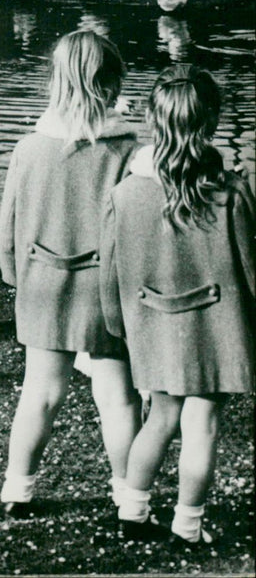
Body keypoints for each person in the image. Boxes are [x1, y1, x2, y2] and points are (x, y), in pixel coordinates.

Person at [101, 65, 255, 545]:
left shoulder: (125, 195)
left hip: (153, 325)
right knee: (202, 424)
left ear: (151, 119)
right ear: (211, 122)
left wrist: (119, 328)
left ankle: (133, 507)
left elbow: (110, 276)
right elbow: (252, 270)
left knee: (161, 418)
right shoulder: (231, 192)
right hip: (218, 329)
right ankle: (188, 524)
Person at [0, 29, 141, 516]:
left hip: (44, 280)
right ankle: (129, 497)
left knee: (40, 392)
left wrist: (15, 276)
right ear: (113, 83)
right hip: (106, 290)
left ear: (55, 81)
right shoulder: (128, 152)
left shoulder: (29, 148)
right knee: (117, 398)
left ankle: (18, 488)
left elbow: (8, 225)